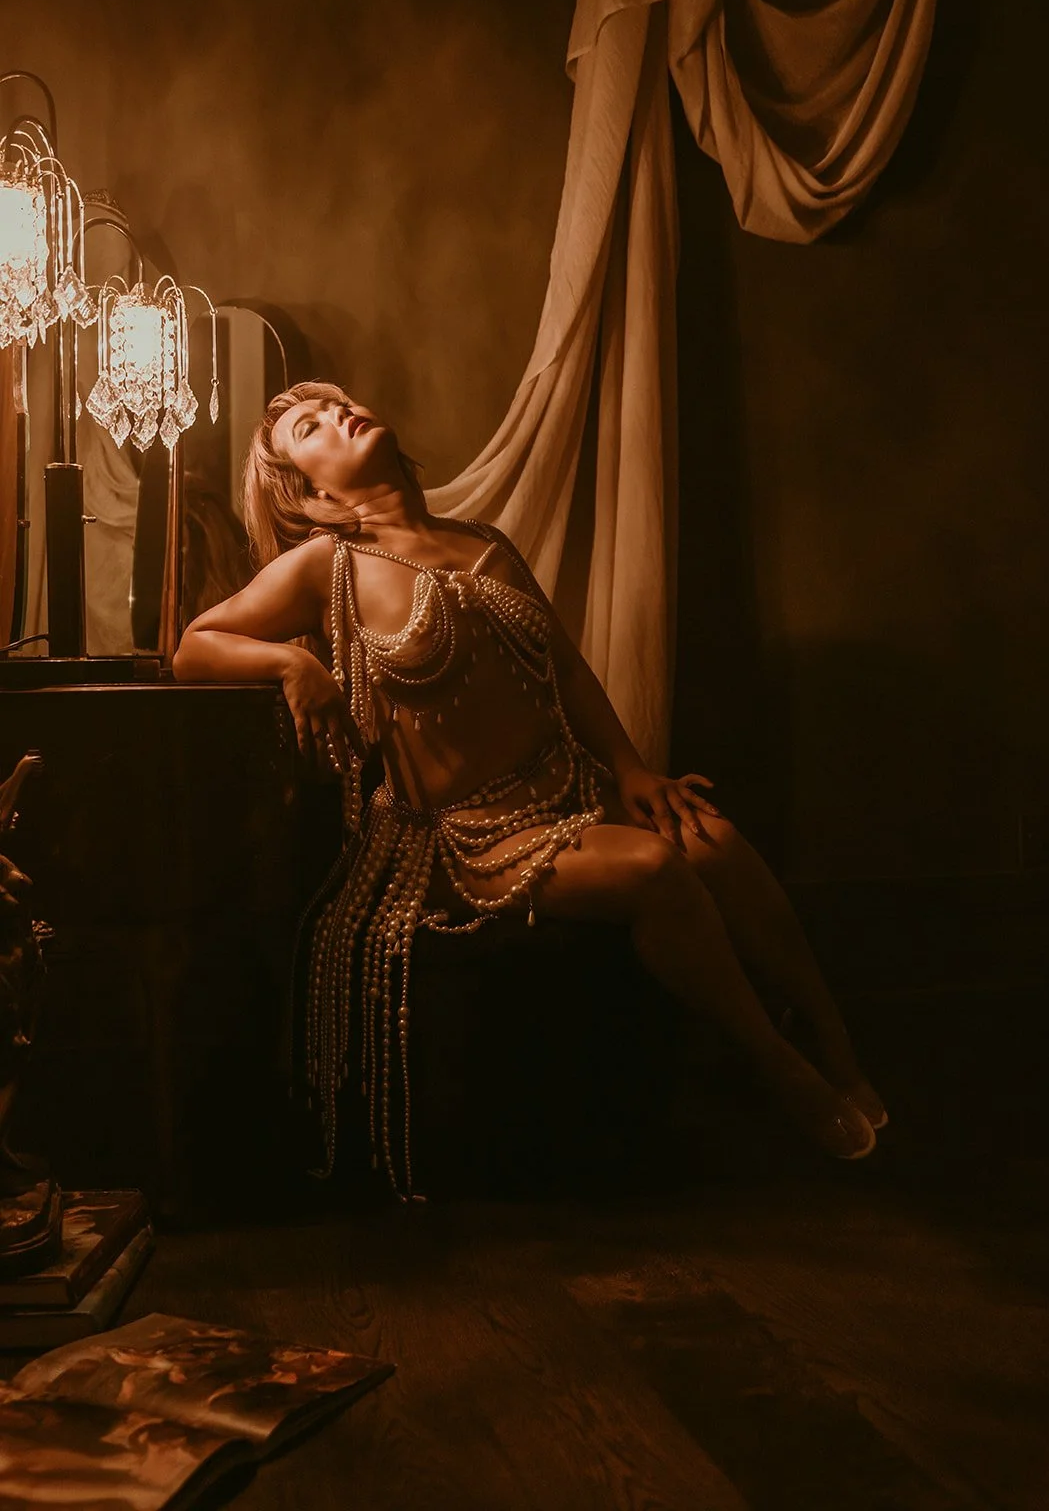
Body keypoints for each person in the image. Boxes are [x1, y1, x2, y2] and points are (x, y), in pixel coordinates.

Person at [173, 381, 887, 1200]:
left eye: (340, 404)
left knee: (711, 839)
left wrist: (631, 773)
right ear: (312, 492)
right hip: (468, 835)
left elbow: (568, 670)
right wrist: (295, 663)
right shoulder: (325, 566)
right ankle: (782, 1070)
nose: (341, 414)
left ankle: (841, 1053)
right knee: (654, 872)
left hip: (570, 789)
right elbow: (197, 645)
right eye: (312, 425)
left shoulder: (484, 541)